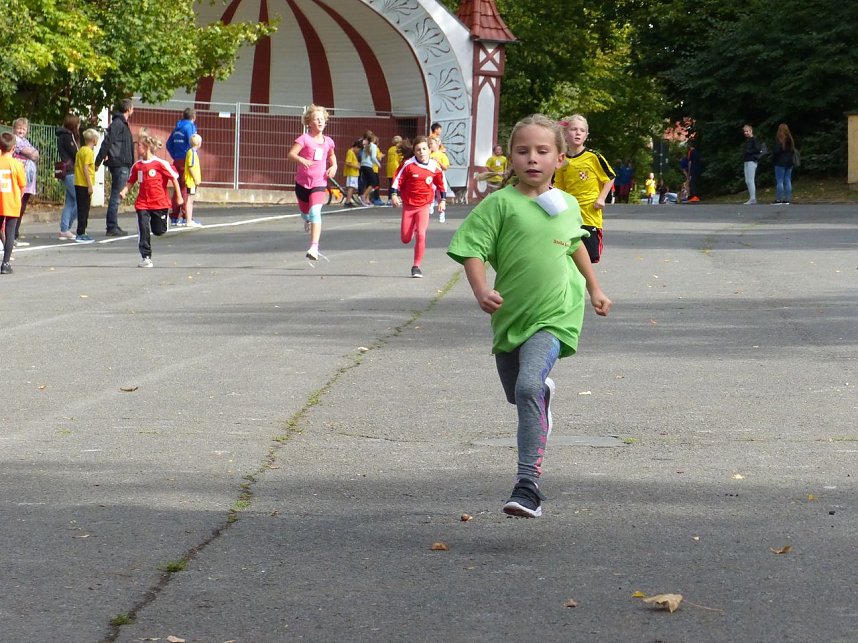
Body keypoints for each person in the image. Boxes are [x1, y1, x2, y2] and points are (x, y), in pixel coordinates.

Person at [447, 114, 612, 518]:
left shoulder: (567, 204)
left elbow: (575, 246)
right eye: (523, 151)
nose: (532, 159)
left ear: (559, 159)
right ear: (512, 159)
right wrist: (482, 289)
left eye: (543, 151)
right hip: (511, 316)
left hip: (556, 313)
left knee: (526, 389)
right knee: (519, 393)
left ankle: (528, 486)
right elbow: (472, 249)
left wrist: (594, 288)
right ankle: (542, 393)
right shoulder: (499, 204)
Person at [554, 114, 615, 264]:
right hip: (569, 216)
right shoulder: (561, 159)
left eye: (582, 130)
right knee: (567, 256)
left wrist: (601, 198)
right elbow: (558, 186)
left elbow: (610, 177)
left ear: (586, 135)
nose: (578, 133)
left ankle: (584, 285)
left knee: (588, 258)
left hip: (589, 215)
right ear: (565, 133)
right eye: (574, 129)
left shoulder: (593, 157)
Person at [119, 129, 183, 268]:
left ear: (147, 147)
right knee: (143, 227)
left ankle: (163, 222)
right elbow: (131, 181)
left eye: (139, 146)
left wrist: (178, 196)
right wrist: (124, 191)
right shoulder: (137, 166)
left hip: (160, 203)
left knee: (159, 231)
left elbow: (174, 178)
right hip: (143, 203)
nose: (137, 148)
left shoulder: (160, 164)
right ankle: (146, 257)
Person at [390, 135, 448, 278]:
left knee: (421, 234)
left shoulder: (434, 167)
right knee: (405, 239)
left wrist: (443, 201)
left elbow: (442, 184)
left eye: (424, 149)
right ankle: (412, 228)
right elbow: (397, 180)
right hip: (409, 205)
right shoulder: (408, 164)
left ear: (429, 150)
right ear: (414, 152)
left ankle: (416, 266)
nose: (421, 152)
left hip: (424, 205)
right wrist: (394, 194)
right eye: (418, 150)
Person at [287, 104, 337, 261]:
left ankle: (314, 247)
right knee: (305, 213)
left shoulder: (328, 141)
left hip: (319, 183)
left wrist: (334, 166)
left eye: (322, 119)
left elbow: (331, 156)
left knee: (316, 212)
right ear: (309, 122)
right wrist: (301, 159)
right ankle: (307, 220)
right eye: (317, 119)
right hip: (302, 184)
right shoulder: (304, 139)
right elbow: (291, 154)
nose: (320, 122)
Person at [95, 98, 134, 236]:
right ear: (129, 109)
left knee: (116, 195)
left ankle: (113, 225)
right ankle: (111, 226)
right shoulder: (118, 124)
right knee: (116, 196)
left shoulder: (121, 123)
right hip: (119, 164)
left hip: (120, 163)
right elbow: (107, 142)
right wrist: (98, 161)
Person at [0, 132, 26, 274]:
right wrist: (18, 198)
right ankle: (5, 263)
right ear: (13, 148)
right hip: (12, 202)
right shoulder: (16, 164)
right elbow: (22, 185)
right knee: (10, 232)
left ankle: (4, 249)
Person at [166, 107, 197, 225]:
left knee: (177, 187)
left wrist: (175, 155)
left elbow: (169, 144)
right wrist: (191, 158)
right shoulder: (190, 127)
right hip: (186, 160)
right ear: (193, 117)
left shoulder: (177, 127)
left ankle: (174, 215)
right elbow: (192, 142)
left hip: (177, 160)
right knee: (185, 187)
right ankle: (185, 216)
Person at [11, 117, 39, 246]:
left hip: (27, 179)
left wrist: (32, 153)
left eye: (23, 128)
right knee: (17, 206)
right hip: (19, 177)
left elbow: (36, 155)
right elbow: (30, 153)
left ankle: (14, 234)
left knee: (22, 206)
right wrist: (31, 153)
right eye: (19, 128)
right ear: (14, 129)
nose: (21, 130)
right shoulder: (14, 140)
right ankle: (11, 235)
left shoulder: (25, 141)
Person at [73, 129, 100, 244]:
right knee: (85, 209)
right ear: (94, 140)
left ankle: (81, 231)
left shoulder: (81, 151)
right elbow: (85, 168)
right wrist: (90, 184)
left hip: (78, 182)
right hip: (84, 184)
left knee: (81, 208)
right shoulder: (89, 152)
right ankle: (81, 232)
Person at [56, 114, 80, 240]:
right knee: (79, 200)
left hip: (68, 171)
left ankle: (65, 228)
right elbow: (75, 153)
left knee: (70, 201)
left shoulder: (62, 136)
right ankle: (65, 228)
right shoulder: (67, 137)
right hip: (70, 171)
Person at [181, 134, 203, 226]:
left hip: (191, 181)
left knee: (190, 199)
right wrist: (196, 179)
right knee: (190, 200)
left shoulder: (191, 152)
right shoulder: (192, 153)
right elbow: (191, 166)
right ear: (199, 143)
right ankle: (189, 220)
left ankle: (189, 219)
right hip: (191, 181)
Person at [772, 123, 796, 205]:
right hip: (789, 162)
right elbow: (792, 151)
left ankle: (778, 199)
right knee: (788, 180)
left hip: (779, 162)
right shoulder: (790, 139)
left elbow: (776, 151)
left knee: (780, 181)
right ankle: (787, 199)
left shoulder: (779, 139)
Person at [428, 136, 450, 222]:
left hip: (440, 176)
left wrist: (438, 161)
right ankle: (431, 203)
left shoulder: (442, 155)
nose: (430, 145)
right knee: (431, 189)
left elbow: (445, 168)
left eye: (432, 144)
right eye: (429, 144)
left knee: (440, 194)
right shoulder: (428, 155)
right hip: (431, 175)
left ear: (437, 144)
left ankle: (442, 213)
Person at [741, 124, 763, 204]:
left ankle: (753, 198)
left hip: (751, 161)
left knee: (750, 180)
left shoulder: (754, 139)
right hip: (746, 161)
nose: (746, 133)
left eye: (747, 131)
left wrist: (748, 152)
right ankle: (752, 198)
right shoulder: (748, 140)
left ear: (751, 131)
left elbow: (758, 149)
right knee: (747, 180)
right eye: (744, 131)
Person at [358, 133, 379, 207]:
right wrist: (378, 164)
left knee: (368, 183)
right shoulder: (373, 146)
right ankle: (364, 196)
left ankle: (366, 200)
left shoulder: (366, 146)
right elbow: (373, 157)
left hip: (363, 166)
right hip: (368, 166)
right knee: (374, 182)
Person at [343, 139, 362, 207]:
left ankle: (349, 200)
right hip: (352, 173)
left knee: (352, 187)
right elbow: (347, 162)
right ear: (356, 147)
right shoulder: (350, 152)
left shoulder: (352, 152)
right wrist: (356, 166)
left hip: (354, 173)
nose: (358, 151)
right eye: (358, 149)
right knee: (351, 187)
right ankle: (347, 201)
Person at [385, 135, 403, 205]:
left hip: (389, 168)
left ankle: (389, 198)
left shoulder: (390, 149)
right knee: (395, 184)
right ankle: (395, 197)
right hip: (396, 168)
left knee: (390, 184)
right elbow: (401, 159)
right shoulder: (399, 149)